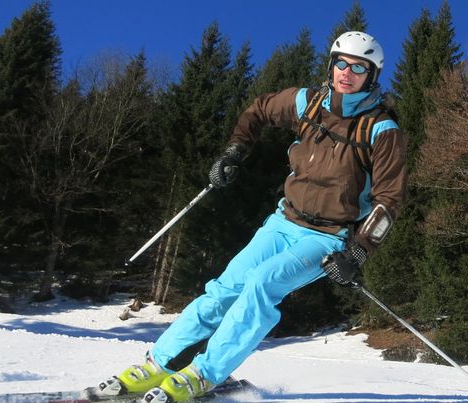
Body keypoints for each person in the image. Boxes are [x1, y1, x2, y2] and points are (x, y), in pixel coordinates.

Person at [88, 31, 407, 403]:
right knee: (223, 290)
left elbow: (389, 200)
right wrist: (234, 151)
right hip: (283, 221)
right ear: (331, 64)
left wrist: (358, 250)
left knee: (262, 285)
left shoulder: (382, 129)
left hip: (326, 236)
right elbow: (258, 109)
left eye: (359, 67)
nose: (347, 73)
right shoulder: (308, 102)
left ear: (372, 75)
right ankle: (158, 365)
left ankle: (204, 374)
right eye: (341, 63)